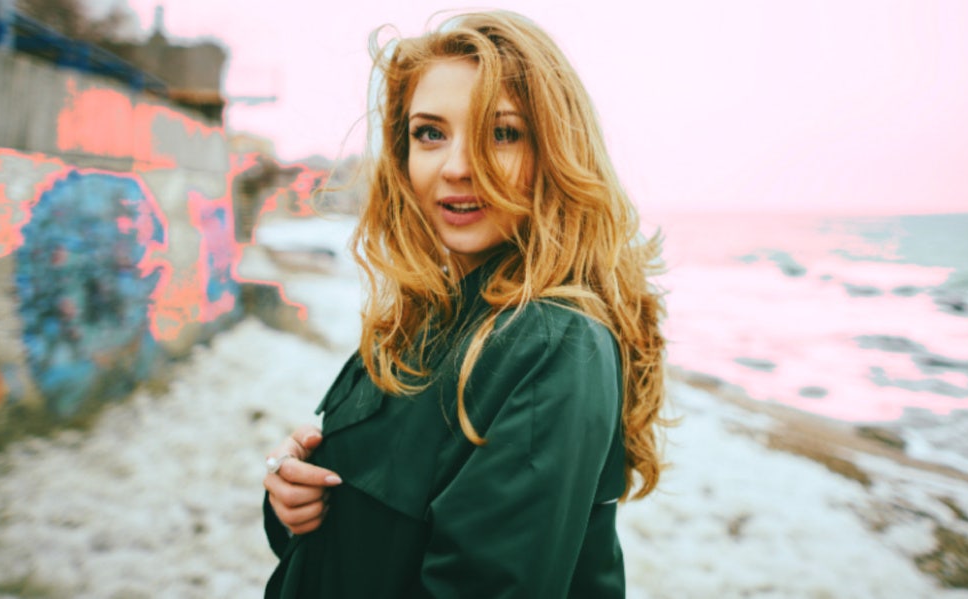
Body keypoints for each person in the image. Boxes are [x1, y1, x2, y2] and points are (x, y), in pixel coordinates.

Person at [262, 10, 667, 598]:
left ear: (555, 151)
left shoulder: (553, 342)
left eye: (501, 133)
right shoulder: (421, 316)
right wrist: (291, 500)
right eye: (430, 133)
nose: (456, 167)